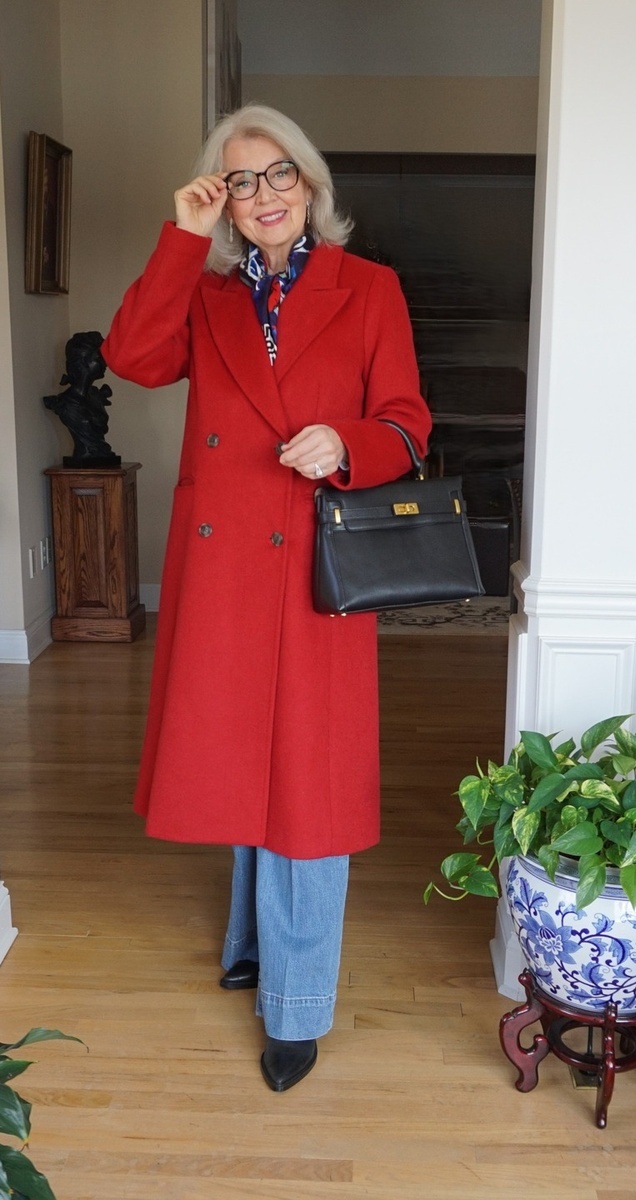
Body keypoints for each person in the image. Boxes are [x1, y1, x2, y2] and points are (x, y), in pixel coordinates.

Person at [101, 104, 431, 1092]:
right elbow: (133, 357)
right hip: (223, 568)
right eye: (240, 182)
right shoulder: (205, 294)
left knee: (308, 781)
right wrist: (181, 238)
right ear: (225, 202)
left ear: (311, 185)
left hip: (320, 562)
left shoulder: (369, 288)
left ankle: (296, 1005)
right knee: (249, 752)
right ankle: (252, 943)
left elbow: (408, 422)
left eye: (279, 172)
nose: (264, 194)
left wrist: (347, 443)